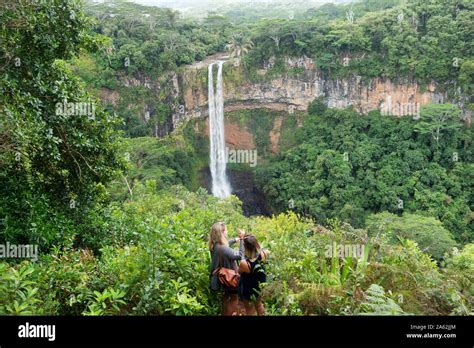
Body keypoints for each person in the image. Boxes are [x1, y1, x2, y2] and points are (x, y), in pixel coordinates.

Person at [208, 222, 245, 316]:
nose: (227, 232)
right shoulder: (223, 248)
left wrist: (234, 240)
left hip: (222, 277)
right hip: (230, 278)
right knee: (234, 298)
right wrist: (241, 239)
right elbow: (240, 255)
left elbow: (226, 244)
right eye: (226, 230)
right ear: (222, 232)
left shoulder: (214, 245)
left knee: (226, 297)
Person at [238, 234, 269, 316]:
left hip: (249, 290)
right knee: (259, 305)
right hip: (260, 286)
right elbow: (263, 249)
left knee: (249, 310)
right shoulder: (263, 254)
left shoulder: (244, 263)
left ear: (245, 247)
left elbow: (239, 272)